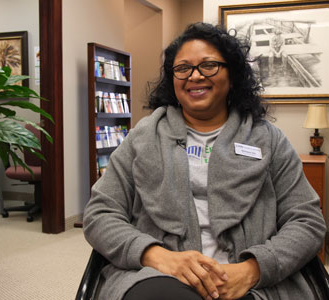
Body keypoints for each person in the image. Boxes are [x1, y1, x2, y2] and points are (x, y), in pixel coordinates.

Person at [83, 22, 326, 300]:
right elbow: (100, 214)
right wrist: (157, 256)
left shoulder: (268, 140)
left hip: (252, 282)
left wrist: (252, 269)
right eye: (183, 68)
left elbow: (307, 221)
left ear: (232, 75)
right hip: (160, 275)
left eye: (209, 65)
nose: (194, 76)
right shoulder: (142, 137)